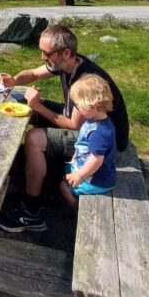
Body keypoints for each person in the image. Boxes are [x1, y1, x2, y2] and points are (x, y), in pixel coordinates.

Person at [0, 23, 129, 233]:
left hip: (102, 143)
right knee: (27, 105)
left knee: (35, 138)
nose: (42, 57)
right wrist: (14, 80)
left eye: (46, 53)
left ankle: (31, 211)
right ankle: (34, 178)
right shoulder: (67, 63)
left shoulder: (85, 80)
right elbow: (34, 74)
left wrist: (37, 106)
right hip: (89, 126)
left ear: (65, 52)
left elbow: (74, 125)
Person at [59, 75, 117, 209]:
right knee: (64, 170)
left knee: (64, 187)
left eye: (79, 105)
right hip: (87, 168)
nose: (77, 108)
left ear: (94, 105)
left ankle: (76, 209)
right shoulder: (95, 121)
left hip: (97, 180)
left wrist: (79, 175)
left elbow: (96, 161)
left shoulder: (98, 133)